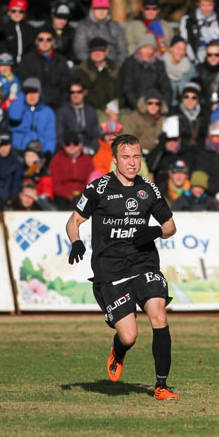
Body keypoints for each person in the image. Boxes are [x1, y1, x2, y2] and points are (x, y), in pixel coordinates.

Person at [65, 133, 179, 400]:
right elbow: (73, 221)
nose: (132, 162)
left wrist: (153, 232)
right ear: (114, 160)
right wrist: (76, 243)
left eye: (136, 157)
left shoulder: (149, 189)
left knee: (159, 315)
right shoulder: (99, 188)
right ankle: (119, 350)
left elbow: (170, 227)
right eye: (126, 157)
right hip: (110, 270)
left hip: (144, 262)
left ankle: (161, 386)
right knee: (129, 336)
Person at [18, 26, 72, 110]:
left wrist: (63, 104)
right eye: (41, 39)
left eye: (48, 39)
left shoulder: (61, 60)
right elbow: (25, 83)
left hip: (58, 104)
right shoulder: (27, 60)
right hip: (35, 104)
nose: (44, 42)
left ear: (53, 41)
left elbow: (66, 85)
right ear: (36, 41)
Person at [120, 33, 172, 111]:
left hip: (155, 106)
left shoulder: (159, 65)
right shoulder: (130, 64)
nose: (148, 51)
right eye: (145, 48)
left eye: (151, 48)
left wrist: (162, 105)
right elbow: (127, 89)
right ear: (139, 48)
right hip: (135, 106)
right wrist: (138, 106)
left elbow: (166, 88)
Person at [73, 0, 127, 65]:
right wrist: (94, 66)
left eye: (104, 8)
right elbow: (80, 51)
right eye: (98, 8)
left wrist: (115, 67)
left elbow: (122, 50)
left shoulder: (115, 26)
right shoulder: (83, 26)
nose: (101, 11)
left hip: (113, 67)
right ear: (92, 9)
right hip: (89, 68)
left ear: (108, 10)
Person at [8, 77, 57, 155]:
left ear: (40, 94)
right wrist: (21, 95)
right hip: (18, 151)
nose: (32, 96)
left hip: (39, 152)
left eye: (35, 92)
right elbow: (14, 116)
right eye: (28, 92)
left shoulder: (47, 112)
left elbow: (50, 137)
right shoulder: (18, 107)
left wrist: (48, 153)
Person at [179, 0, 219, 64]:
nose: (206, 9)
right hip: (197, 61)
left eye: (209, 5)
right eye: (203, 5)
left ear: (214, 4)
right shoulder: (188, 20)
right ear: (198, 4)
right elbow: (186, 42)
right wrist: (194, 61)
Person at [146, 117, 195, 189]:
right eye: (168, 140)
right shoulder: (159, 154)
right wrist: (160, 146)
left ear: (179, 140)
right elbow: (150, 168)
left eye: (174, 139)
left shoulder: (187, 154)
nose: (171, 143)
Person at [73, 37, 120, 112]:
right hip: (94, 109)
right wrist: (105, 108)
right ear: (90, 53)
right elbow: (86, 95)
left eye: (101, 50)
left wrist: (116, 107)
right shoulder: (82, 70)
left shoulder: (114, 67)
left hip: (117, 107)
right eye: (94, 50)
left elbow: (121, 90)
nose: (97, 53)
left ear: (106, 51)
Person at [49, 132, 94, 210]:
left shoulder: (87, 160)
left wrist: (83, 194)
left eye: (75, 143)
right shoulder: (57, 159)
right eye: (68, 144)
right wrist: (69, 195)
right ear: (64, 145)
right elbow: (55, 183)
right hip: (63, 197)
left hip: (83, 194)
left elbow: (91, 181)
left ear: (80, 145)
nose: (72, 146)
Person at [56, 80, 100, 155]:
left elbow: (95, 135)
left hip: (88, 151)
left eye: (79, 92)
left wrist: (91, 149)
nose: (75, 95)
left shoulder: (91, 111)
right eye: (72, 92)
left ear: (84, 92)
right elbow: (59, 135)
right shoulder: (63, 112)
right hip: (68, 149)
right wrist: (69, 149)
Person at [0, 0, 36, 65]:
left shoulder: (31, 30)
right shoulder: (3, 29)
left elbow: (33, 50)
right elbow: (0, 50)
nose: (17, 14)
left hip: (27, 67)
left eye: (21, 11)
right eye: (14, 11)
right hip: (8, 67)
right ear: (9, 12)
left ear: (24, 13)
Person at [171, 80, 209, 146]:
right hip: (180, 152)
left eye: (194, 97)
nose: (190, 100)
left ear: (198, 99)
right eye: (186, 97)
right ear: (182, 98)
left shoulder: (205, 114)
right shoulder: (174, 113)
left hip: (200, 152)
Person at [163, 36, 195, 106]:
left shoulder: (189, 67)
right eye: (178, 48)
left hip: (183, 107)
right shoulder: (161, 65)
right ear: (171, 48)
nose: (181, 52)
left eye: (184, 49)